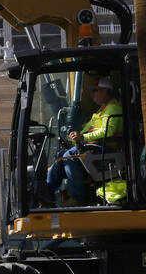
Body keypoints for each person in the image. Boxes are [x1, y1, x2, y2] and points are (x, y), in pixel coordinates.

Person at [45, 77, 123, 205]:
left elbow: (107, 132)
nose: (93, 94)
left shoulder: (113, 109)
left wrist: (83, 137)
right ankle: (48, 192)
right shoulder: (103, 109)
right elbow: (86, 128)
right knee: (61, 156)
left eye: (95, 90)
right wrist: (71, 139)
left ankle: (77, 196)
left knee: (70, 156)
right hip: (95, 148)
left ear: (105, 91)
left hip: (107, 150)